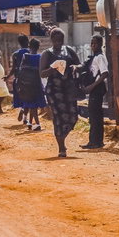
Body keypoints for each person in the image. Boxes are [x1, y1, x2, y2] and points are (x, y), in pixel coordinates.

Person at [40, 28, 81, 158]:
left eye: (60, 40)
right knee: (58, 118)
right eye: (56, 40)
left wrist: (75, 67)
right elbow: (41, 73)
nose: (58, 43)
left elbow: (79, 64)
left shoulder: (68, 50)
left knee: (73, 116)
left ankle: (62, 136)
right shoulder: (47, 54)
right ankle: (61, 147)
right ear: (51, 40)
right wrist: (53, 68)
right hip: (54, 91)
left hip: (68, 89)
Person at [82, 35, 109, 150]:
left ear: (100, 44)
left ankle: (95, 142)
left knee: (94, 116)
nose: (93, 46)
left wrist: (92, 86)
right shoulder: (94, 57)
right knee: (95, 116)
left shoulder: (100, 57)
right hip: (95, 88)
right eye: (92, 44)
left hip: (97, 88)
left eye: (95, 44)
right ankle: (96, 141)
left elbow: (105, 73)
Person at [16, 39, 46, 131]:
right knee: (34, 105)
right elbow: (41, 71)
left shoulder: (25, 56)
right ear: (38, 47)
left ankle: (30, 122)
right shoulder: (40, 57)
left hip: (26, 84)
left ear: (29, 46)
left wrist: (19, 82)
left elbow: (21, 70)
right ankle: (37, 124)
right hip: (36, 84)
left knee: (31, 104)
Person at [9, 34, 31, 122]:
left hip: (19, 79)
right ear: (27, 42)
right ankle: (25, 117)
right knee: (30, 99)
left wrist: (7, 77)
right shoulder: (31, 53)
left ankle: (22, 109)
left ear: (19, 43)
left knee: (22, 97)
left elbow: (13, 68)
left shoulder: (15, 54)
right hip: (30, 79)